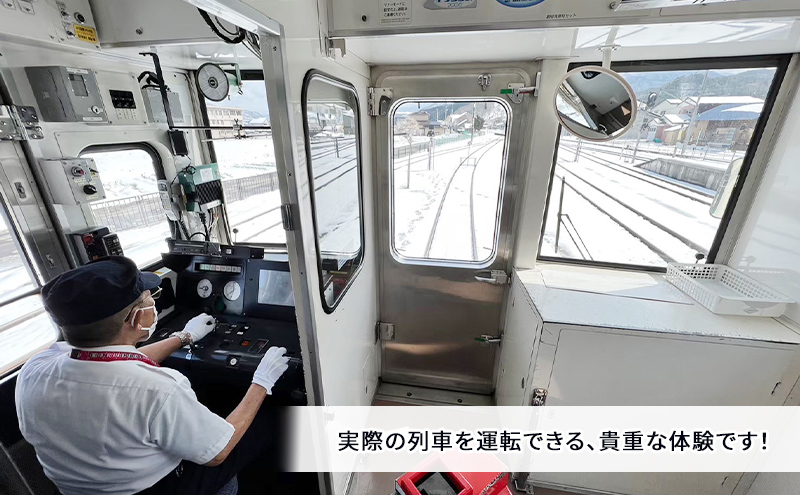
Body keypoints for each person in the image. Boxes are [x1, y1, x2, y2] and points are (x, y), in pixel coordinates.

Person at [15, 256, 290, 495]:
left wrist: (183, 337)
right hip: (157, 489)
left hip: (79, 489)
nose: (154, 304)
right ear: (137, 318)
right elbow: (218, 452)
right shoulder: (159, 389)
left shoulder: (34, 369)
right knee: (270, 417)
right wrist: (261, 382)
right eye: (150, 299)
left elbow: (109, 361)